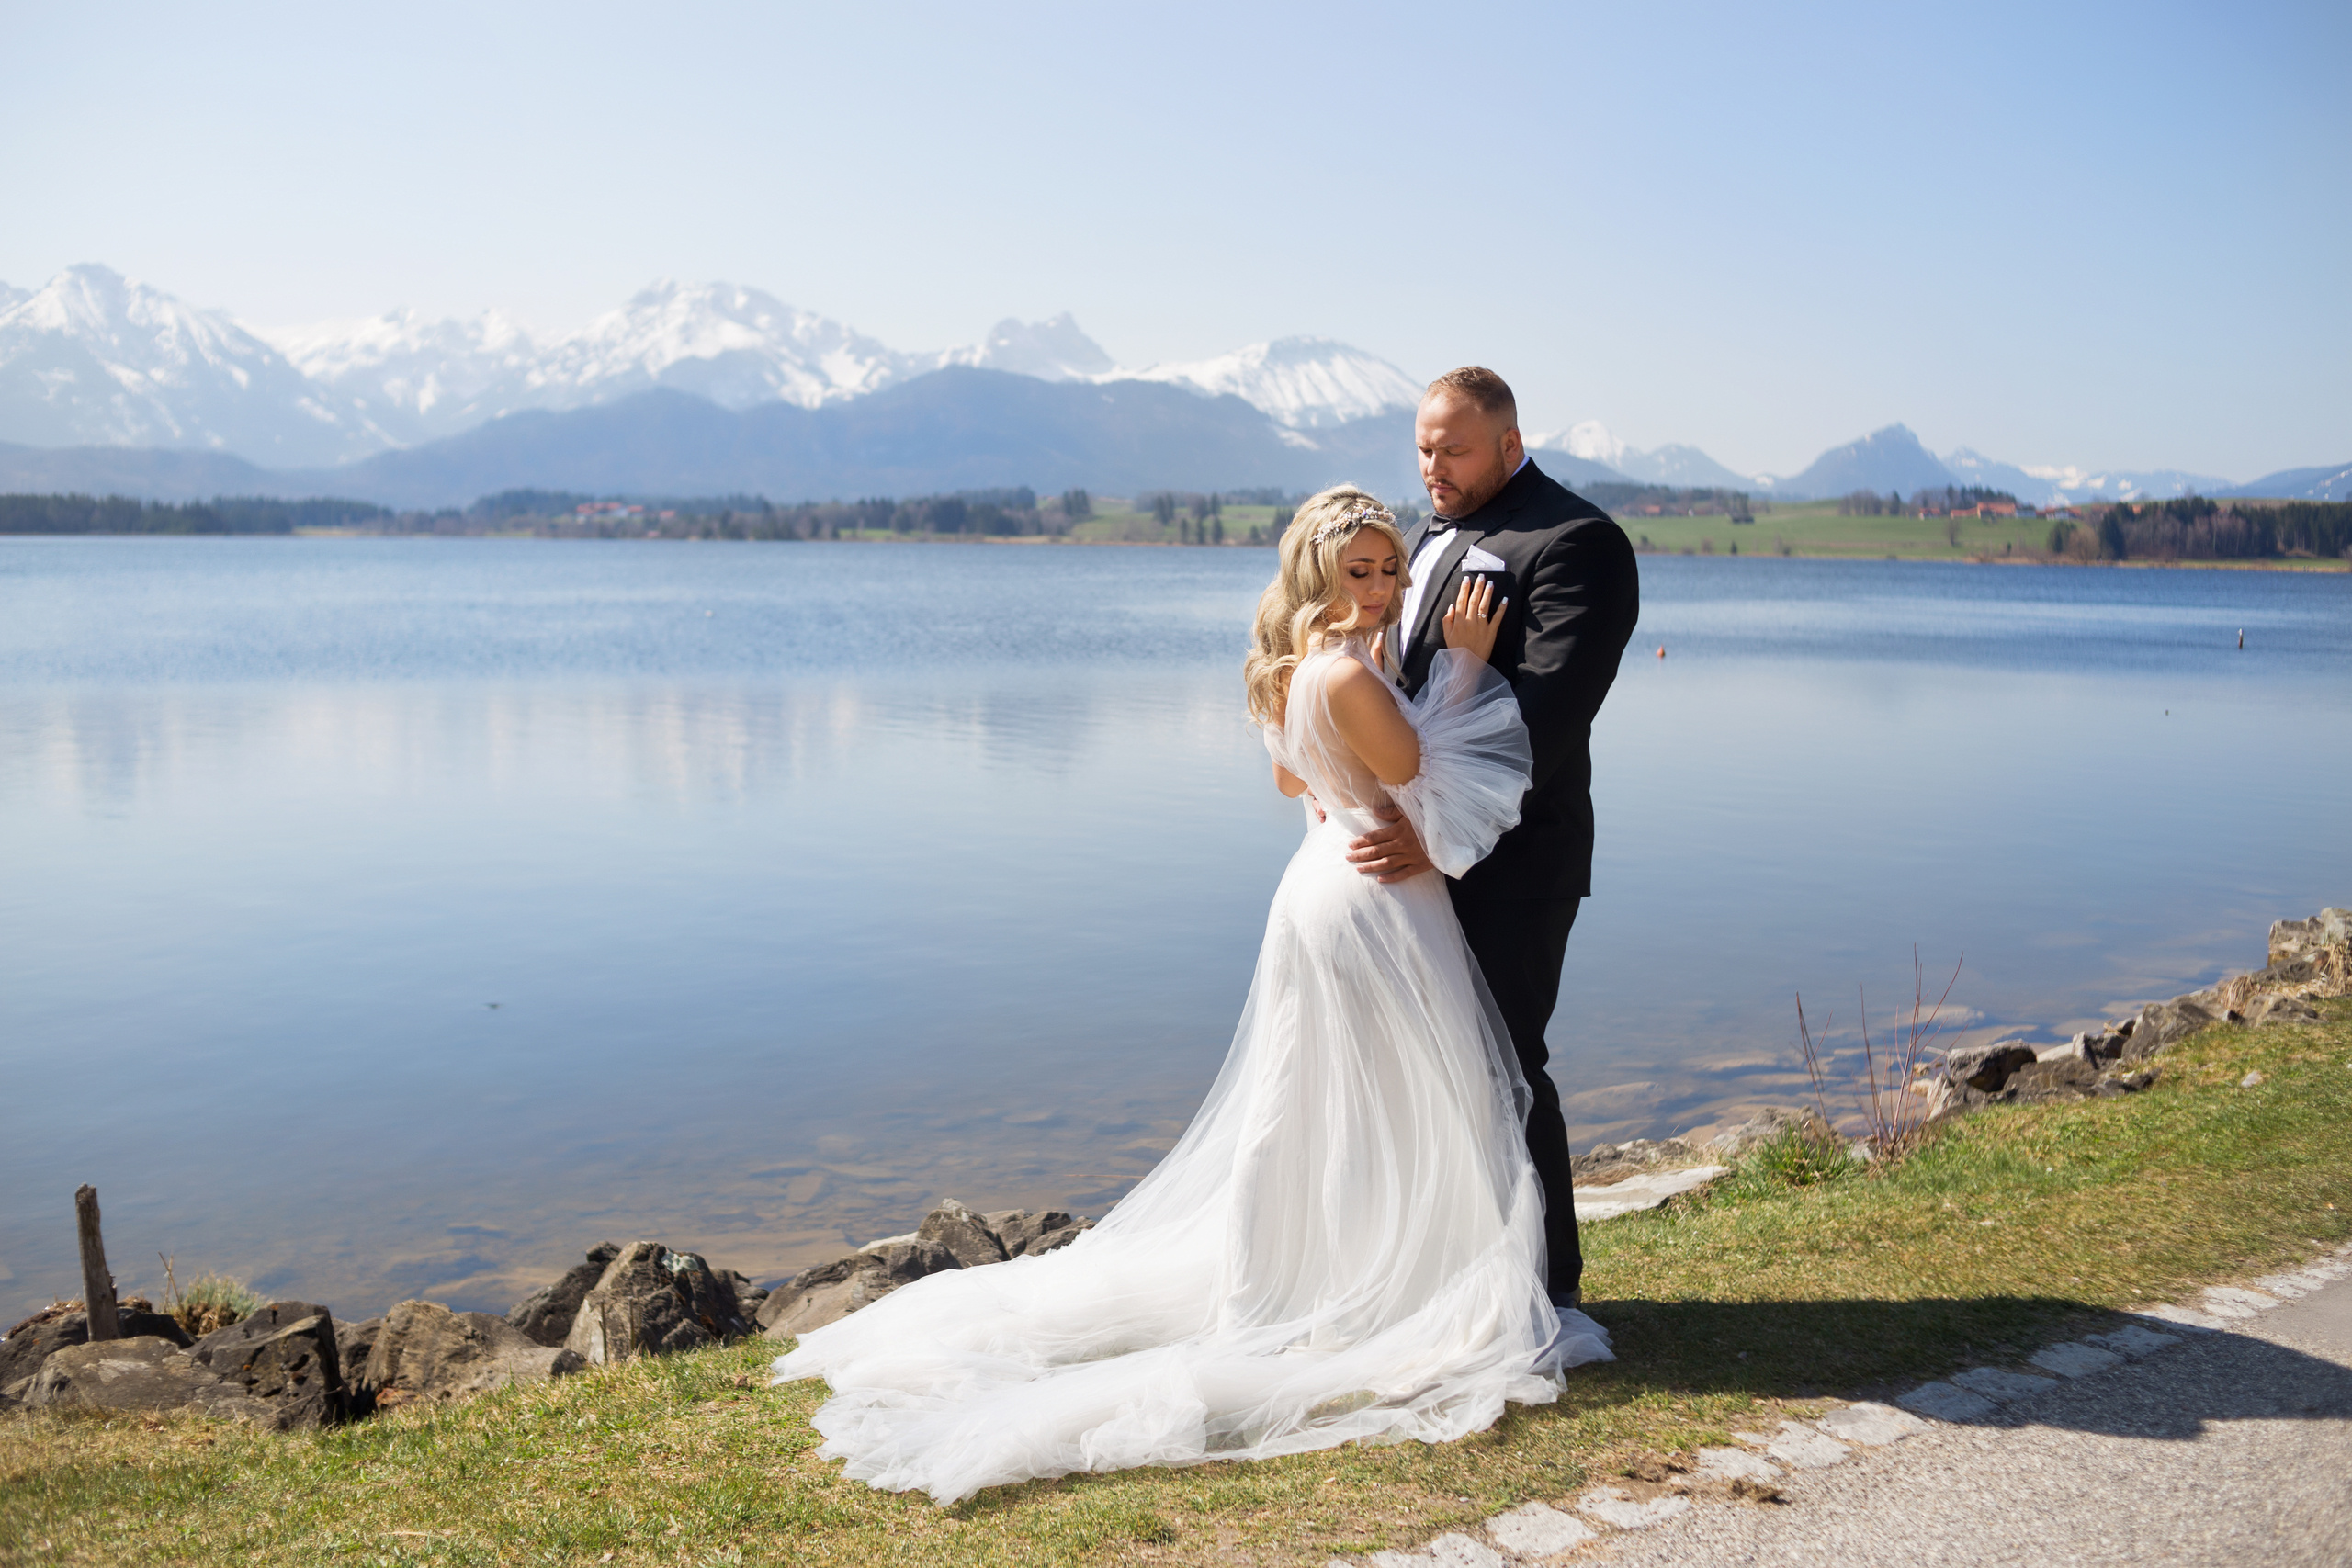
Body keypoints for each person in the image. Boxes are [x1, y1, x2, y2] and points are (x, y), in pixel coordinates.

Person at [773, 484, 1611, 1506]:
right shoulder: (1346, 671)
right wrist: (1471, 662)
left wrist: (1364, 756)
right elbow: (1424, 767)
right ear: (1319, 574)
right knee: (1396, 1098)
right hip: (1370, 899)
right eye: (1364, 570)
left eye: (1393, 569)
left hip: (1323, 881)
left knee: (1320, 1102)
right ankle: (1373, 1287)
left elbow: (1292, 785)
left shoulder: (1308, 667)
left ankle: (1326, 1271)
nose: (1387, 586)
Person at [1344, 367, 1640, 1308]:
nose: (1433, 465)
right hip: (1420, 855)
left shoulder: (1575, 540)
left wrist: (1442, 836)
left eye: (1453, 449)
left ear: (1509, 444)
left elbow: (1545, 718)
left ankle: (1547, 1292)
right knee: (1433, 1070)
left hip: (1514, 860)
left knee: (1505, 1068)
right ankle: (1456, 1275)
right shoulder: (1435, 530)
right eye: (1424, 448)